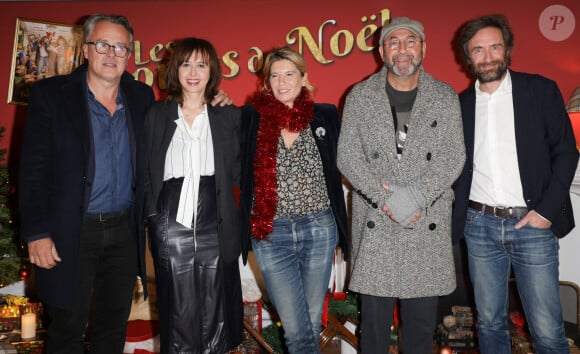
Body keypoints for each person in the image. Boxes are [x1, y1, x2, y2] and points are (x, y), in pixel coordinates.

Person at [18, 14, 231, 353]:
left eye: (120, 47)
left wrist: (218, 101)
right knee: (67, 327)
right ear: (86, 49)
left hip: (123, 231)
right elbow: (31, 170)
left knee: (112, 326)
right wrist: (36, 233)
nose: (111, 53)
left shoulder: (141, 96)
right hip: (69, 230)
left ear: (129, 53)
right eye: (102, 44)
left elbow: (189, 111)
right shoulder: (50, 95)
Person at [337, 17, 466, 353]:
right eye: (393, 43)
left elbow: (454, 156)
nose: (402, 50)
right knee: (375, 331)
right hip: (377, 221)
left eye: (411, 41)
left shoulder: (445, 96)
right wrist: (387, 201)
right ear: (381, 51)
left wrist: (413, 200)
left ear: (423, 47)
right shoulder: (360, 96)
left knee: (421, 330)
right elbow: (348, 157)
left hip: (425, 221)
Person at [452, 14, 578, 354]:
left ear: (507, 49)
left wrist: (547, 211)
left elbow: (566, 152)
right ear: (468, 57)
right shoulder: (459, 105)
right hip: (479, 227)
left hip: (532, 224)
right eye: (479, 50)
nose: (488, 56)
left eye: (495, 47)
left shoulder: (540, 90)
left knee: (547, 329)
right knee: (489, 323)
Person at [240, 46, 349, 354]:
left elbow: (347, 162)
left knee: (311, 327)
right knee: (296, 331)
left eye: (289, 74)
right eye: (274, 76)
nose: (282, 81)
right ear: (266, 83)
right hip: (271, 234)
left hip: (318, 229)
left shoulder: (324, 114)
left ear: (304, 78)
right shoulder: (251, 118)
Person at [143, 37, 243, 354]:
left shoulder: (228, 115)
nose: (193, 72)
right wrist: (152, 215)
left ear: (212, 70)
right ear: (175, 68)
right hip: (170, 214)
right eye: (186, 63)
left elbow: (242, 169)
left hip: (216, 211)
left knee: (217, 298)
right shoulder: (156, 115)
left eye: (201, 64)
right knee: (177, 298)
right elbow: (145, 170)